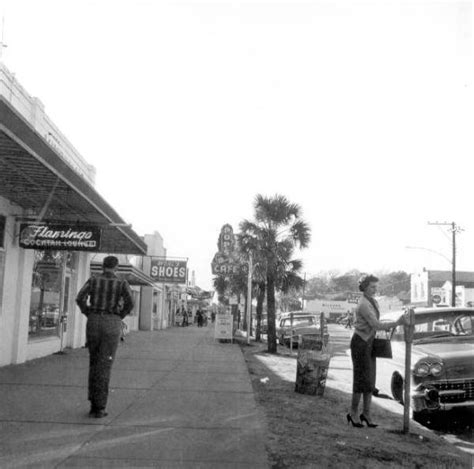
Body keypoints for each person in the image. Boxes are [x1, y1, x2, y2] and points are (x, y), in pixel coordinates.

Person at [76, 256, 134, 418]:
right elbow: (130, 303)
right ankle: (100, 406)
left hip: (94, 321)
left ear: (103, 266)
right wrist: (119, 316)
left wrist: (89, 312)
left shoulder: (93, 280)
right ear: (116, 267)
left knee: (94, 362)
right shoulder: (121, 283)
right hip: (111, 322)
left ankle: (93, 403)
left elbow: (80, 298)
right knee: (105, 364)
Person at [347, 274, 404, 428]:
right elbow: (376, 324)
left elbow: (377, 323)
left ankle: (366, 413)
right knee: (360, 379)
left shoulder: (373, 301)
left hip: (369, 342)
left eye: (376, 286)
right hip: (360, 342)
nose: (375, 289)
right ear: (364, 287)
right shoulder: (364, 304)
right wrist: (397, 322)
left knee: (370, 380)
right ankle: (353, 413)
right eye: (372, 286)